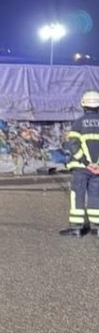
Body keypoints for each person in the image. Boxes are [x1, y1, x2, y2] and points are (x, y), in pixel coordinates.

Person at [59, 90, 99, 236]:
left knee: (78, 195)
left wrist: (86, 162)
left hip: (81, 168)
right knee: (96, 196)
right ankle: (97, 227)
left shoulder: (78, 123)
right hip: (98, 171)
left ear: (83, 104)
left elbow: (74, 145)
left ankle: (76, 228)